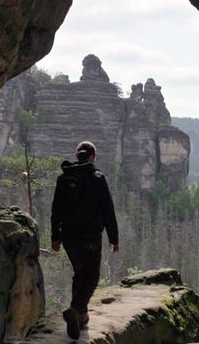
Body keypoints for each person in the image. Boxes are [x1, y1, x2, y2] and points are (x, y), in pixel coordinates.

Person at [51, 141, 119, 340]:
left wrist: (55, 236)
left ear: (77, 155)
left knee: (80, 274)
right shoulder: (97, 178)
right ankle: (75, 309)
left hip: (69, 237)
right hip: (90, 237)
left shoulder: (64, 178)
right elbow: (108, 210)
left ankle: (82, 317)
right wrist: (113, 238)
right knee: (92, 276)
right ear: (92, 156)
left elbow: (56, 211)